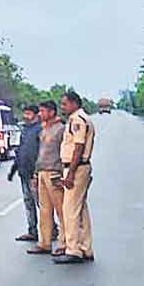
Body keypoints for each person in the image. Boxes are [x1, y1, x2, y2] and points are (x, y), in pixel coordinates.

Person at [55, 91, 96, 264]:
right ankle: (86, 247)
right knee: (81, 209)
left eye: (64, 104)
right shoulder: (82, 118)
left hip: (76, 168)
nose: (62, 107)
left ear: (74, 104)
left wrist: (70, 174)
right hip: (80, 167)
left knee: (70, 209)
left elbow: (78, 147)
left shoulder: (77, 120)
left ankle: (74, 250)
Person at [26, 100, 65, 256]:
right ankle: (44, 243)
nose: (40, 114)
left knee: (61, 211)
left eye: (43, 111)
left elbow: (65, 153)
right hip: (42, 172)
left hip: (54, 172)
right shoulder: (43, 129)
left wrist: (63, 174)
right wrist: (36, 174)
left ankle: (65, 243)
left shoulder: (61, 129)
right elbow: (40, 153)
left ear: (52, 112)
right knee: (44, 210)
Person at [7, 104, 40, 242]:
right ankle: (32, 231)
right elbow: (20, 151)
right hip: (24, 172)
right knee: (28, 202)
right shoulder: (25, 130)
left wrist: (37, 173)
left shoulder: (41, 129)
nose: (25, 116)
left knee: (42, 204)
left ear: (36, 115)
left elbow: (42, 153)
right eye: (24, 113)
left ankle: (51, 230)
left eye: (28, 114)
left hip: (36, 174)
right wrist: (13, 170)